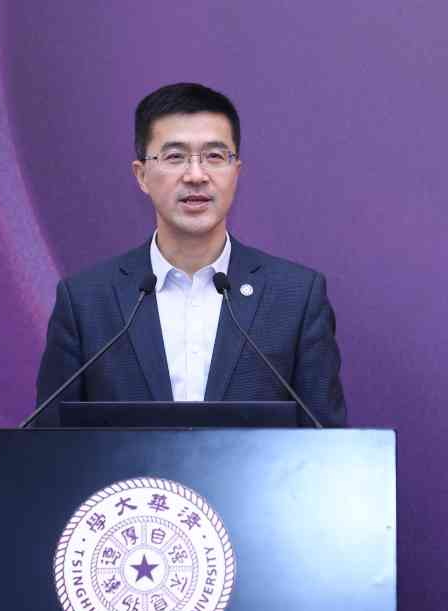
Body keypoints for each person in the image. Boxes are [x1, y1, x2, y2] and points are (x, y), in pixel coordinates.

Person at [34, 83, 346, 427]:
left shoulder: (296, 298)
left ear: (236, 172)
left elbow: (326, 443)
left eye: (215, 156)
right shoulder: (86, 302)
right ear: (141, 175)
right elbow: (49, 444)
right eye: (175, 157)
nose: (196, 176)